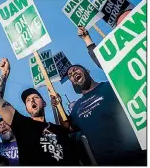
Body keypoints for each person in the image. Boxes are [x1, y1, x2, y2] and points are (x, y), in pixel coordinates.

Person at [50, 26, 147, 166]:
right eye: (70, 75)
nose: (73, 73)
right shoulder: (76, 108)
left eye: (76, 69)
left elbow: (108, 66)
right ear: (72, 83)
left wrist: (87, 40)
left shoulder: (111, 86)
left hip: (139, 158)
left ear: (87, 70)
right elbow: (67, 128)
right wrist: (58, 105)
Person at [0, 58, 81, 166]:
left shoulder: (58, 129)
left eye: (36, 97)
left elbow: (68, 128)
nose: (32, 100)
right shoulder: (22, 124)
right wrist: (5, 73)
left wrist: (58, 105)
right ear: (27, 109)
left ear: (44, 103)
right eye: (27, 100)